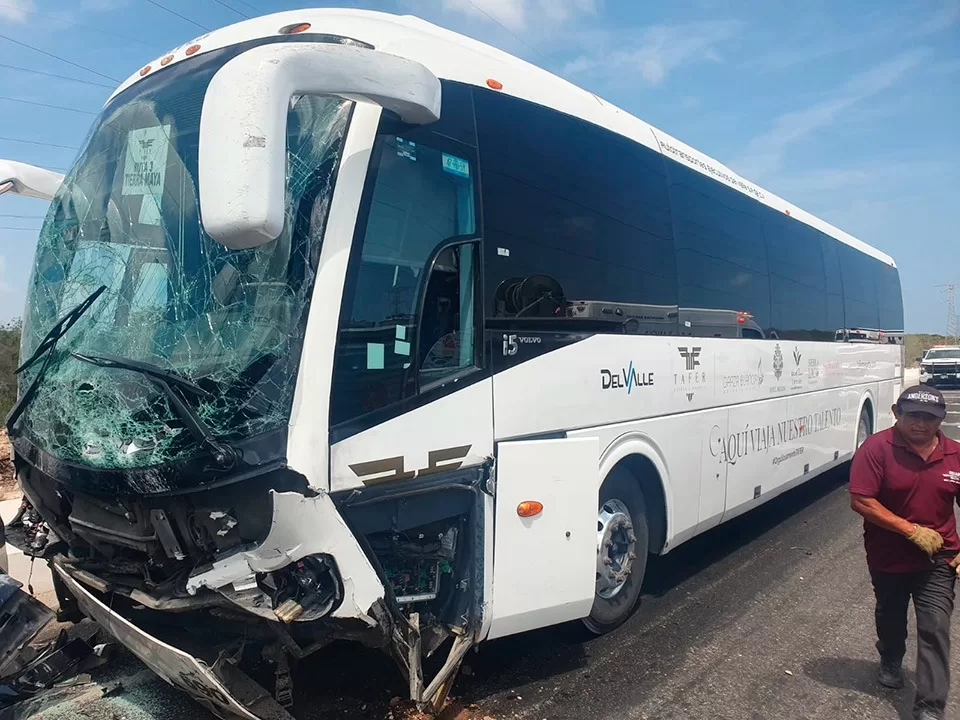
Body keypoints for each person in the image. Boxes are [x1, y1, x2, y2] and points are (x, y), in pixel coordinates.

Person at [850, 385, 960, 720]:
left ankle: (929, 708)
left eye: (930, 418)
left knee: (935, 626)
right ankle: (891, 656)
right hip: (888, 555)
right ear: (898, 413)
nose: (921, 424)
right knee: (890, 616)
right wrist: (910, 530)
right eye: (914, 415)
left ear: (940, 420)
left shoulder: (955, 453)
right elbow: (861, 500)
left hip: (939, 558)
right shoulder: (876, 448)